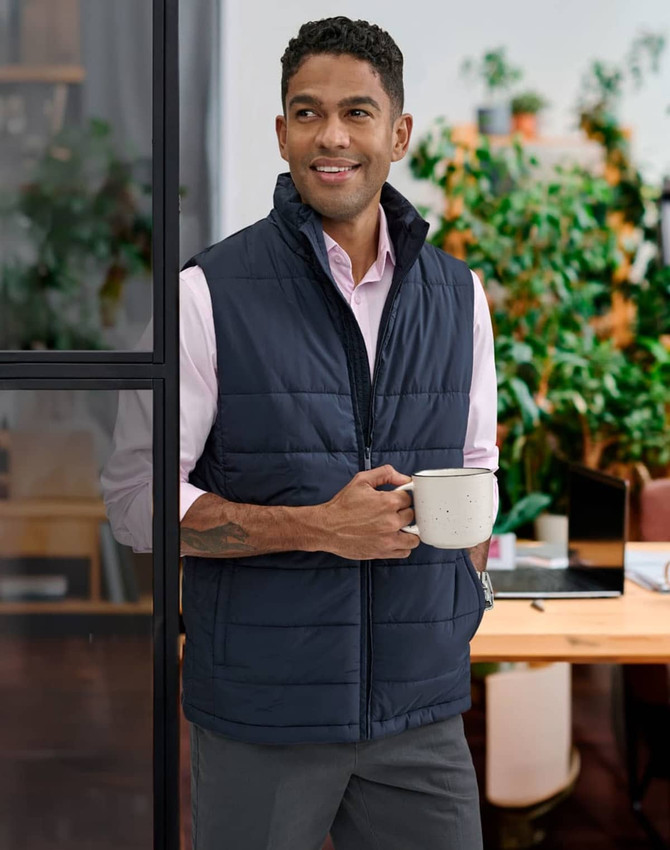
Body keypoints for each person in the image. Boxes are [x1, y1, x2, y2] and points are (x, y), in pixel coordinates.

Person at [103, 15, 498, 850]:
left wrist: (464, 605)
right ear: (282, 132)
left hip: (421, 716)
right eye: (308, 111)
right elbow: (139, 504)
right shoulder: (203, 297)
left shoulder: (460, 298)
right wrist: (321, 529)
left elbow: (475, 470)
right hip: (262, 715)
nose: (333, 136)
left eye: (357, 112)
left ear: (399, 133)